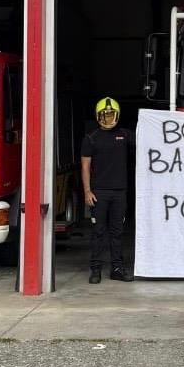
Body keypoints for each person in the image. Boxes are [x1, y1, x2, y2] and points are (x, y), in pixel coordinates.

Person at [80, 96, 135, 283]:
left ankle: (117, 269)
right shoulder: (91, 139)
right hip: (99, 193)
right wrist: (87, 191)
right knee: (98, 232)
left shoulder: (126, 135)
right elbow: (85, 166)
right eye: (105, 115)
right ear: (98, 117)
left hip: (120, 192)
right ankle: (96, 270)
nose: (108, 119)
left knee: (117, 232)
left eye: (111, 115)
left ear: (117, 116)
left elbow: (150, 138)